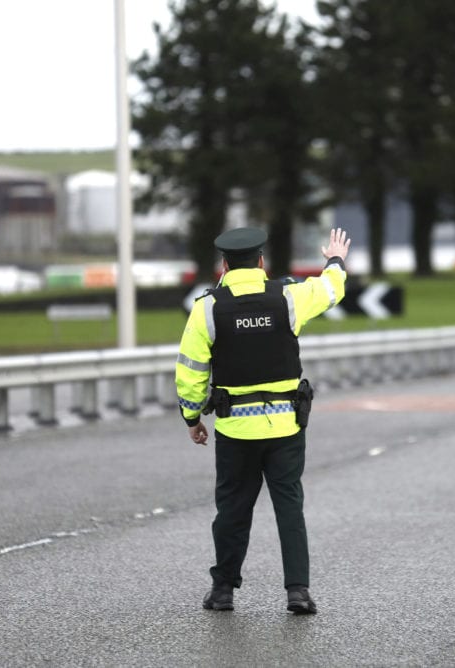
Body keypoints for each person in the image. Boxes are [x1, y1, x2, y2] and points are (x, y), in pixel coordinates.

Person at [175, 226, 351, 615]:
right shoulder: (289, 297)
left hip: (235, 430)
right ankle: (298, 593)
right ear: (261, 262)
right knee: (289, 506)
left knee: (233, 510)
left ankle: (223, 591)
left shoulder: (207, 308)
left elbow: (190, 371)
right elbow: (331, 289)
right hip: (286, 427)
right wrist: (335, 260)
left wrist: (191, 417)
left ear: (224, 265)